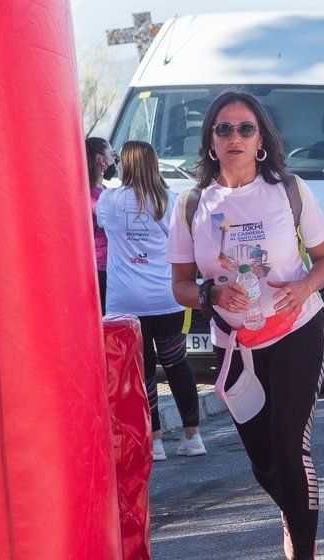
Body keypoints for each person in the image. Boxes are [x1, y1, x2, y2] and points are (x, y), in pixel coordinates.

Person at [168, 91, 324, 560]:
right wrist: (209, 294)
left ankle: (304, 547)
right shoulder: (192, 205)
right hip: (235, 344)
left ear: (261, 139)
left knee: (289, 443)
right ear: (210, 142)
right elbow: (179, 284)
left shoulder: (288, 189)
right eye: (224, 129)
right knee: (264, 461)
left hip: (296, 332)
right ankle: (295, 509)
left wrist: (304, 288)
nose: (235, 137)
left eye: (246, 128)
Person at [95, 140, 206, 460]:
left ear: (124, 165)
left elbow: (97, 217)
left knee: (142, 373)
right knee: (176, 364)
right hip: (167, 297)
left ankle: (154, 442)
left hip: (126, 303)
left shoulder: (110, 201)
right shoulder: (171, 200)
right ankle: (193, 436)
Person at [85, 137, 117, 314]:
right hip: (99, 269)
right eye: (113, 155)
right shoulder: (90, 196)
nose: (115, 161)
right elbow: (110, 219)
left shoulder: (103, 190)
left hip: (108, 267)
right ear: (101, 160)